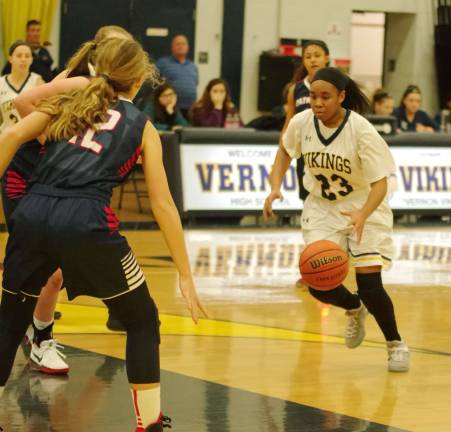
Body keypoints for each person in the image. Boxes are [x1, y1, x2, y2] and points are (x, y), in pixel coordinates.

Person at [0, 37, 207, 432]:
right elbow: (163, 206)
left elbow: (10, 135)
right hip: (87, 219)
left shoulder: (69, 102)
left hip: (33, 209)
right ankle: (149, 424)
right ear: (140, 78)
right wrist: (185, 273)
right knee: (142, 319)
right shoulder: (143, 125)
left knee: (9, 321)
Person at [263, 67, 409, 373]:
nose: (317, 103)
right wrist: (275, 187)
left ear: (341, 97)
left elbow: (381, 183)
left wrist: (362, 214)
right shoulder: (302, 122)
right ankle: (354, 309)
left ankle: (395, 343)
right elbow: (284, 152)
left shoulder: (361, 130)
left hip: (364, 204)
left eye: (325, 97)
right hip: (322, 209)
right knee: (317, 280)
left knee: (370, 284)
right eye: (314, 96)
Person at [8, 26, 134, 374]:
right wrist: (55, 138)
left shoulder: (114, 92)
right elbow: (22, 103)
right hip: (29, 174)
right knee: (42, 270)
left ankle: (38, 334)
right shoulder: (78, 81)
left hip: (60, 182)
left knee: (55, 270)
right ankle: (35, 335)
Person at [0, 41, 44, 134]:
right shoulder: (1, 83)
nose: (23, 59)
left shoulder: (37, 82)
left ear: (31, 59)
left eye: (27, 56)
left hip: (30, 139)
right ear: (10, 58)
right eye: (19, 56)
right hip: (7, 137)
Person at [156, 35, 198, 119]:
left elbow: (196, 83)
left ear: (188, 47)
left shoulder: (193, 66)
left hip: (190, 109)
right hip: (169, 108)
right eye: (178, 44)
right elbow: (154, 83)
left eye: (183, 44)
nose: (181, 46)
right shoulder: (162, 63)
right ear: (172, 47)